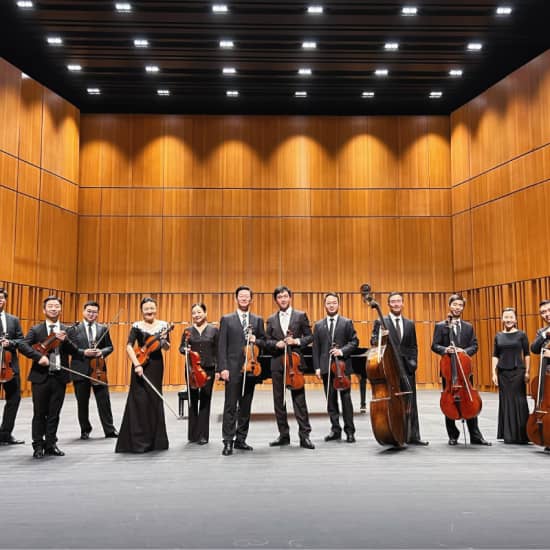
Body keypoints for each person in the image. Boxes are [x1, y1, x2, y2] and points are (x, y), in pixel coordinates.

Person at [19, 295, 76, 459]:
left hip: (59, 376)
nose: (53, 308)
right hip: (40, 377)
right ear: (44, 310)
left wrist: (66, 341)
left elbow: (74, 350)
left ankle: (51, 444)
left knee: (54, 413)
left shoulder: (66, 329)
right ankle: (38, 445)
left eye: (56, 306)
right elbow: (22, 345)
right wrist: (38, 357)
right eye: (50, 306)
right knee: (39, 413)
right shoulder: (36, 330)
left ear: (60, 309)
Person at [431, 293, 491, 446]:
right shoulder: (441, 326)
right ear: (450, 305)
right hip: (449, 371)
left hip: (465, 369)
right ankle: (452, 435)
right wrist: (446, 350)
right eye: (455, 305)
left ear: (463, 307)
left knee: (470, 399)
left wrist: (464, 352)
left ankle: (475, 435)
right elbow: (434, 345)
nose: (457, 308)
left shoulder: (468, 327)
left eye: (460, 305)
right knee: (449, 401)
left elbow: (475, 345)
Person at [370, 292, 428, 445]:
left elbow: (413, 346)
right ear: (389, 304)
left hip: (407, 368)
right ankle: (397, 433)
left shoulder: (409, 323)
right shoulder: (381, 321)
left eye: (398, 301)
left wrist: (414, 362)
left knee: (411, 402)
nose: (396, 304)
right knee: (395, 403)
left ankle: (414, 436)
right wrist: (382, 336)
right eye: (393, 302)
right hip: (390, 367)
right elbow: (373, 341)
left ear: (403, 304)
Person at [116, 297, 170, 453]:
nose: (149, 311)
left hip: (156, 365)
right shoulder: (136, 326)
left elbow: (166, 348)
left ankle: (156, 442)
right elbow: (128, 346)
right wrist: (137, 364)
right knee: (139, 399)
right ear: (142, 310)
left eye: (152, 308)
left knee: (154, 398)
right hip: (140, 363)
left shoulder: (164, 326)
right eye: (146, 308)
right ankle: (138, 441)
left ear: (156, 308)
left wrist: (164, 341)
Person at [217, 285, 266, 456]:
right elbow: (221, 345)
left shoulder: (258, 320)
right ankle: (228, 441)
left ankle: (241, 440)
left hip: (251, 369)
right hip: (232, 369)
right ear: (236, 299)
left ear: (251, 299)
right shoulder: (227, 319)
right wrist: (222, 368)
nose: (244, 299)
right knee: (230, 406)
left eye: (247, 296)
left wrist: (256, 340)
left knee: (245, 406)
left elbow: (264, 342)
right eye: (241, 296)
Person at [265, 285, 315, 449]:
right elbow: (267, 342)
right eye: (279, 297)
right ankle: (283, 435)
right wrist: (276, 344)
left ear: (290, 297)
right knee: (279, 401)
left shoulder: (300, 316)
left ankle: (304, 436)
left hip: (295, 363)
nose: (283, 299)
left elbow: (309, 337)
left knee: (299, 401)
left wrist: (297, 341)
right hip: (277, 363)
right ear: (276, 300)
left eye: (285, 296)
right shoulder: (271, 319)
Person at [312, 292, 359, 443]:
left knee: (346, 401)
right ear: (324, 305)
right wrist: (317, 367)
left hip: (342, 368)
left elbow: (354, 342)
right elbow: (316, 348)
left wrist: (342, 351)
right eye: (328, 303)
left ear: (338, 305)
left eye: (334, 303)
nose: (331, 305)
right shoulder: (319, 325)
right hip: (326, 368)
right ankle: (335, 430)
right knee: (331, 402)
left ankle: (350, 431)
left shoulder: (347, 323)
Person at [70, 301, 118, 440]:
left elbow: (110, 347)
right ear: (83, 312)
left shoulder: (103, 329)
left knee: (104, 401)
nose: (92, 314)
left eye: (95, 312)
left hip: (98, 369)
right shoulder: (73, 329)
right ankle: (85, 429)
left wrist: (101, 352)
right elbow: (70, 349)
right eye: (89, 311)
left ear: (98, 313)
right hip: (80, 369)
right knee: (82, 402)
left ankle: (109, 430)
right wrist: (84, 352)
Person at [179, 303, 218, 445]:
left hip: (208, 369)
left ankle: (203, 435)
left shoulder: (214, 330)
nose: (196, 315)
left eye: (199, 312)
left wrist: (218, 369)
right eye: (194, 313)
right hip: (191, 370)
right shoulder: (187, 331)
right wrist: (185, 349)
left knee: (205, 401)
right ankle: (193, 434)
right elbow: (181, 348)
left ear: (205, 313)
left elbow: (218, 351)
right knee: (192, 400)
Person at [491, 307, 530, 444]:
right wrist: (493, 373)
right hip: (502, 372)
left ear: (515, 319)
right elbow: (495, 355)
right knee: (506, 401)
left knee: (519, 400)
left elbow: (527, 354)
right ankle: (507, 434)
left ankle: (522, 434)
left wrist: (527, 371)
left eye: (511, 317)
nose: (508, 320)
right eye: (506, 317)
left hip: (518, 371)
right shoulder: (498, 336)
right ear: (502, 319)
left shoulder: (522, 334)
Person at [0, 288, 25, 446]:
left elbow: (21, 340)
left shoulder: (13, 320)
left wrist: (11, 343)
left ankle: (5, 433)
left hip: (9, 366)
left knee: (14, 398)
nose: (0, 300)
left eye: (2, 298)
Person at [529, 299, 550, 453]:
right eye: (543, 312)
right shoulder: (542, 332)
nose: (546, 314)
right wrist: (545, 336)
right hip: (547, 375)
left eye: (548, 311)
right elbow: (534, 348)